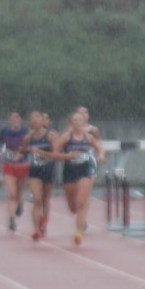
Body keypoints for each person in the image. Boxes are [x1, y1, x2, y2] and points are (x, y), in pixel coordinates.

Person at [56, 105, 104, 245]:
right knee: (73, 207)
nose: (78, 122)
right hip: (70, 170)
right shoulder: (66, 137)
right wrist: (67, 156)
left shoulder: (88, 136)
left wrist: (100, 155)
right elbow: (55, 154)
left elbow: (99, 147)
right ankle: (79, 217)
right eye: (75, 120)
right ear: (71, 123)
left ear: (84, 122)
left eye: (80, 120)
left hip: (85, 169)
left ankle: (78, 231)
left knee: (81, 200)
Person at [0, 109, 33, 231]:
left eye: (17, 117)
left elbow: (29, 147)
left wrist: (22, 153)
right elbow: (1, 145)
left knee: (18, 193)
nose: (15, 120)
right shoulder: (4, 132)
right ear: (9, 119)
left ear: (20, 120)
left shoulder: (25, 132)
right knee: (11, 194)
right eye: (12, 117)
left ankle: (20, 203)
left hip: (22, 166)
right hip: (9, 165)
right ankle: (11, 219)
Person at [26, 109, 58, 240]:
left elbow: (56, 154)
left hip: (48, 169)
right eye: (32, 118)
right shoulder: (29, 137)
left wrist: (40, 152)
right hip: (34, 170)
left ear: (42, 120)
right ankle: (36, 229)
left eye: (37, 117)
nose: (35, 120)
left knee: (45, 200)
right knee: (36, 199)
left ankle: (44, 220)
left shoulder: (50, 136)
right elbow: (22, 150)